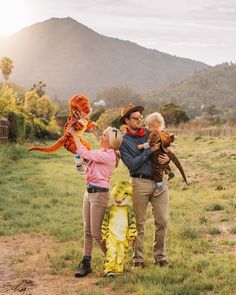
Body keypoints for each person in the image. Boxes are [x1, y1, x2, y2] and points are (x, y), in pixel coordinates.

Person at [66, 125, 122, 277]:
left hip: (99, 194)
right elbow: (85, 157)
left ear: (110, 141)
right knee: (87, 230)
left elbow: (84, 152)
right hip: (89, 192)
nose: (101, 136)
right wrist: (79, 160)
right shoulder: (102, 153)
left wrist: (75, 135)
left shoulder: (109, 155)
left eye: (104, 135)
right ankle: (86, 262)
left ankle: (112, 260)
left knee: (96, 233)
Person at [119, 103, 170, 268]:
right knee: (139, 223)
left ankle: (160, 257)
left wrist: (167, 160)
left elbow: (164, 147)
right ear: (127, 121)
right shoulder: (123, 142)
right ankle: (138, 260)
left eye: (140, 117)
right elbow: (132, 165)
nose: (139, 120)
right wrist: (148, 152)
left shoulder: (150, 133)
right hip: (139, 183)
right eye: (135, 118)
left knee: (162, 220)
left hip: (158, 182)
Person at [102, 181, 137, 278]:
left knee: (121, 254)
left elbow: (132, 223)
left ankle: (118, 270)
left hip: (124, 238)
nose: (118, 200)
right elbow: (105, 222)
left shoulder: (129, 210)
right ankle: (109, 270)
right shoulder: (110, 209)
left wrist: (132, 236)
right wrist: (104, 234)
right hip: (111, 237)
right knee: (111, 253)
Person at [137, 112, 175, 193]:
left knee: (156, 169)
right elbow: (168, 140)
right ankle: (170, 172)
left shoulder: (154, 133)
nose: (148, 128)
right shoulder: (163, 132)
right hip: (163, 152)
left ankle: (159, 185)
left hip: (157, 153)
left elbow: (150, 143)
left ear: (156, 125)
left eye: (150, 126)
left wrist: (142, 146)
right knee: (164, 163)